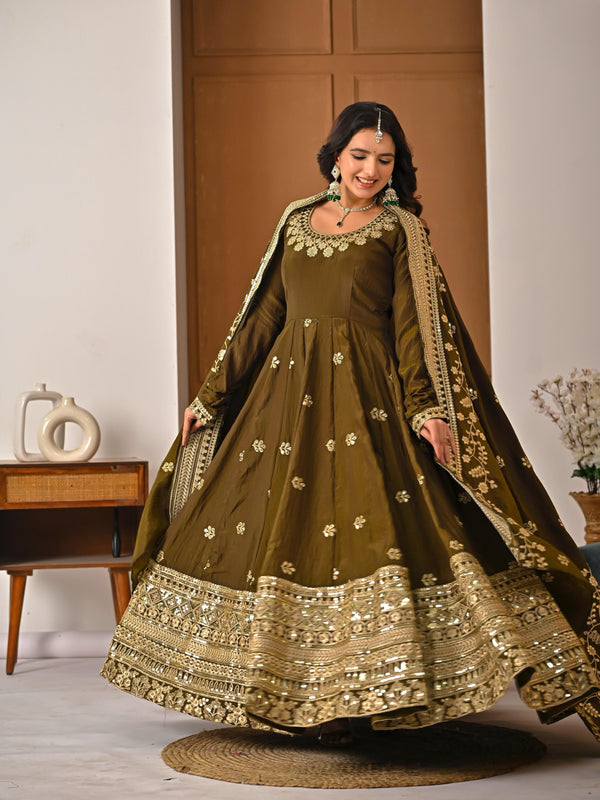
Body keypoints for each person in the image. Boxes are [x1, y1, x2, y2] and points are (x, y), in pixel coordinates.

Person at [102, 102, 600, 747]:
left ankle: (373, 698)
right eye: (359, 155)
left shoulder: (399, 229)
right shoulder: (294, 219)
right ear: (336, 156)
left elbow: (414, 327)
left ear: (395, 168)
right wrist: (213, 395)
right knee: (284, 535)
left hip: (372, 398)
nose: (370, 168)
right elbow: (264, 315)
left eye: (384, 159)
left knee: (379, 535)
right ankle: (289, 694)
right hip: (286, 401)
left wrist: (425, 407)